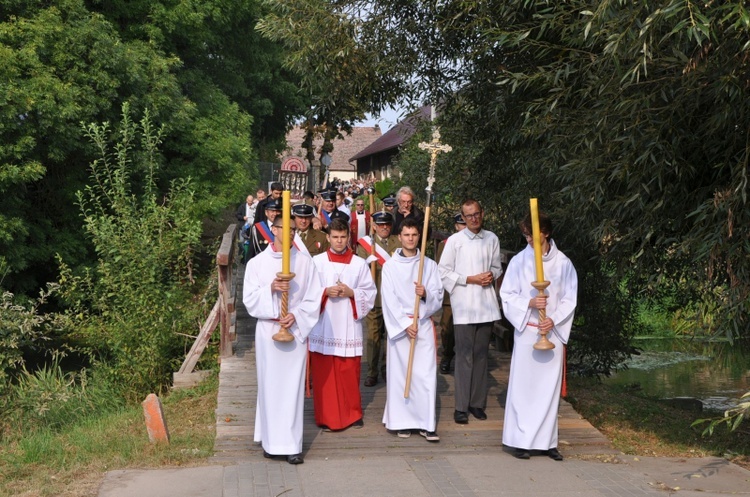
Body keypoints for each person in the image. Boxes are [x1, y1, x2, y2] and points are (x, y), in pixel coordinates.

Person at [242, 216, 323, 465]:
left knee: (292, 388)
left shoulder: (305, 263)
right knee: (269, 386)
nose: (287, 234)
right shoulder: (257, 263)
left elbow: (314, 297)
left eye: (291, 229)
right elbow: (249, 298)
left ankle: (291, 445)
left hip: (294, 330)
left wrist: (296, 316)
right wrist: (270, 289)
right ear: (273, 229)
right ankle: (270, 442)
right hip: (268, 331)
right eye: (282, 229)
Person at [500, 212, 577, 461]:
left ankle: (547, 442)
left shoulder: (563, 263)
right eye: (525, 235)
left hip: (550, 331)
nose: (527, 240)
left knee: (547, 389)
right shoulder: (519, 261)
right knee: (524, 388)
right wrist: (529, 302)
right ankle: (521, 440)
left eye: (531, 235)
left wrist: (554, 319)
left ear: (545, 233)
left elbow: (569, 298)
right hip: (528, 330)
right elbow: (507, 294)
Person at [438, 199, 503, 425]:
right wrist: (469, 279)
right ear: (463, 218)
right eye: (469, 216)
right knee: (464, 356)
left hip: (485, 304)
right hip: (464, 305)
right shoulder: (455, 241)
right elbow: (443, 271)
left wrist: (491, 275)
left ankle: (477, 403)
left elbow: (497, 266)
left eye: (476, 214)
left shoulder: (492, 238)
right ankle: (460, 406)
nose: (474, 219)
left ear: (482, 213)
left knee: (481, 355)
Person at [309, 218, 376, 431]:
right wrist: (325, 292)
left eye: (343, 237)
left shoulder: (359, 263)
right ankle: (326, 417)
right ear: (328, 237)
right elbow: (306, 293)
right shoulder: (317, 262)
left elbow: (370, 292)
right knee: (325, 375)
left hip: (348, 324)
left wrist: (352, 293)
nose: (339, 241)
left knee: (348, 372)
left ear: (349, 238)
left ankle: (352, 414)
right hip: (324, 324)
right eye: (335, 237)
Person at [381, 218, 443, 442]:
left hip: (423, 323)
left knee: (424, 375)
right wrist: (405, 325)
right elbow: (388, 299)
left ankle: (426, 423)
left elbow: (438, 295)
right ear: (400, 236)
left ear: (419, 237)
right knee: (400, 375)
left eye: (414, 235)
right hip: (401, 327)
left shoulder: (428, 265)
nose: (410, 239)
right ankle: (402, 421)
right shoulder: (390, 267)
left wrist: (425, 294)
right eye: (406, 235)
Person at [356, 211, 401, 387]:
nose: (384, 227)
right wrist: (369, 262)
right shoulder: (366, 244)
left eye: (387, 224)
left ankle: (387, 368)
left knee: (391, 335)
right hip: (374, 296)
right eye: (380, 225)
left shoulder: (398, 241)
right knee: (374, 337)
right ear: (374, 226)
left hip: (392, 296)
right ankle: (372, 371)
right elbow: (360, 266)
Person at [437, 213, 467, 374]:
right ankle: (447, 356)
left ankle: (464, 360)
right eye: (461, 225)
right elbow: (441, 268)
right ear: (456, 226)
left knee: (466, 328)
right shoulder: (445, 244)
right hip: (451, 293)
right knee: (447, 329)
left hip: (469, 292)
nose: (464, 227)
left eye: (466, 224)